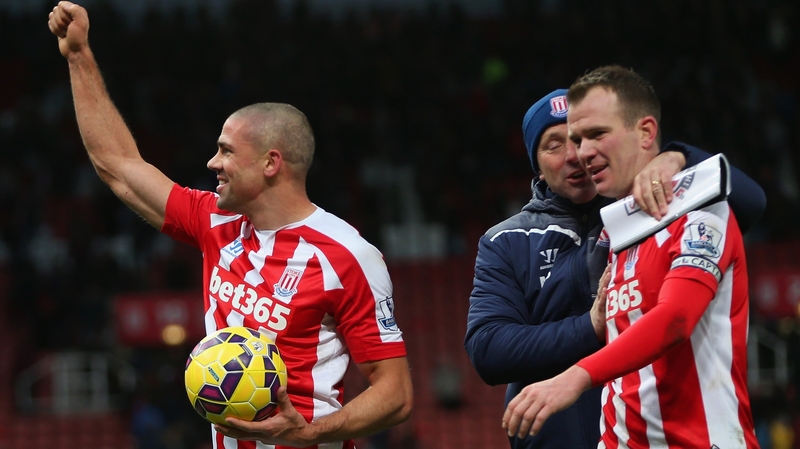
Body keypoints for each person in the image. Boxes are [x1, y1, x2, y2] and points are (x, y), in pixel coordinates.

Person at [48, 3, 413, 449]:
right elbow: (119, 166)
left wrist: (310, 433)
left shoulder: (347, 255)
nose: (212, 162)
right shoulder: (215, 222)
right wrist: (79, 56)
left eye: (225, 151)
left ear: (270, 163)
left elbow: (395, 394)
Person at [465, 87, 765, 448]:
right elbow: (487, 350)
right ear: (537, 166)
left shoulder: (649, 210)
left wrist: (678, 157)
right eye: (554, 144)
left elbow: (749, 202)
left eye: (585, 138)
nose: (576, 155)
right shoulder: (506, 240)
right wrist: (588, 328)